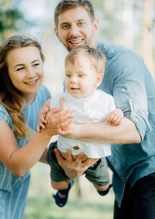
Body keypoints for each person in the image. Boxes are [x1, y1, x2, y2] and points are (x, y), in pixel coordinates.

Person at [40, 0, 155, 218]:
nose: (73, 31)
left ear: (95, 25)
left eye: (81, 23)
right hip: (122, 181)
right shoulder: (72, 80)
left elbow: (135, 130)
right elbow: (84, 133)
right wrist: (72, 170)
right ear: (57, 33)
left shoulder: (123, 63)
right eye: (65, 26)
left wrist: (75, 130)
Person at [0, 34, 73, 219]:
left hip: (16, 191)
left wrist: (63, 163)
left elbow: (33, 149)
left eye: (36, 64)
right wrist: (48, 132)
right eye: (20, 68)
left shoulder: (42, 94)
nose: (31, 74)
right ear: (6, 73)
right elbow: (16, 165)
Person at [39, 45, 123, 207]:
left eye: (80, 75)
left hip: (93, 157)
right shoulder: (63, 98)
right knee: (57, 184)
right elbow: (49, 103)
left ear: (97, 80)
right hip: (62, 153)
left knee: (103, 186)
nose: (72, 80)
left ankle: (104, 188)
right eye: (68, 74)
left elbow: (115, 113)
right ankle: (64, 189)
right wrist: (43, 111)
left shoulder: (105, 101)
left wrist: (117, 113)